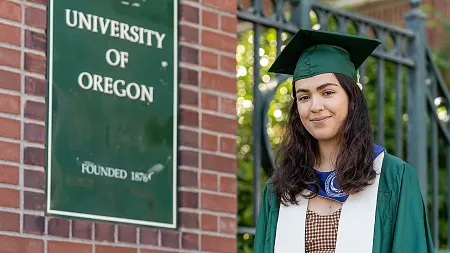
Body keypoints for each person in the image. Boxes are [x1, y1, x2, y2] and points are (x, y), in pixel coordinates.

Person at [252, 29, 434, 253]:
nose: (315, 106)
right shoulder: (281, 188)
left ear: (352, 97)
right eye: (304, 97)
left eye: (327, 92)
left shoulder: (393, 177)